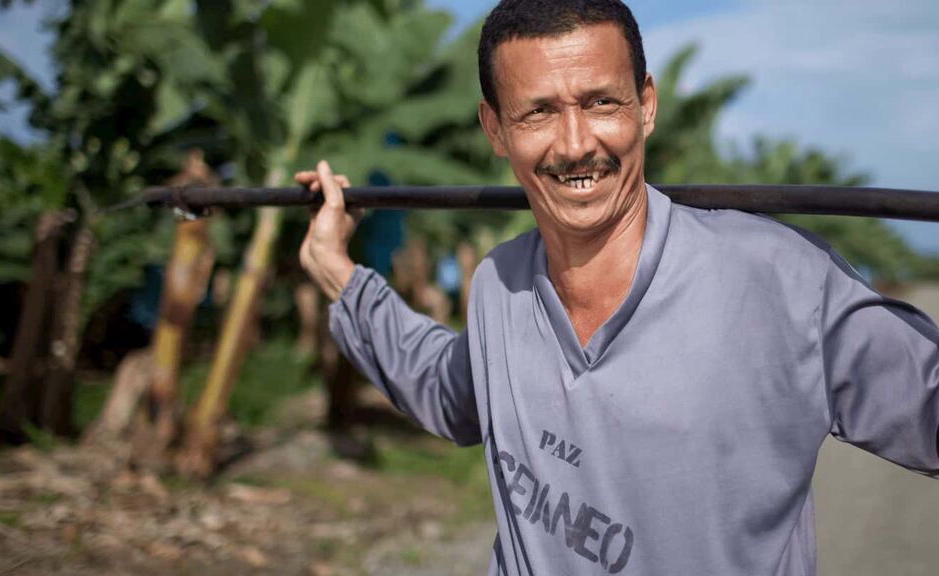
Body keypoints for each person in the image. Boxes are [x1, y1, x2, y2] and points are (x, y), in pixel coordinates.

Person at [295, 0, 939, 574]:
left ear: (646, 104)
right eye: (539, 112)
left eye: (601, 102)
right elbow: (446, 388)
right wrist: (335, 268)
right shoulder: (499, 283)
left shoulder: (780, 280)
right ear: (495, 130)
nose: (576, 145)